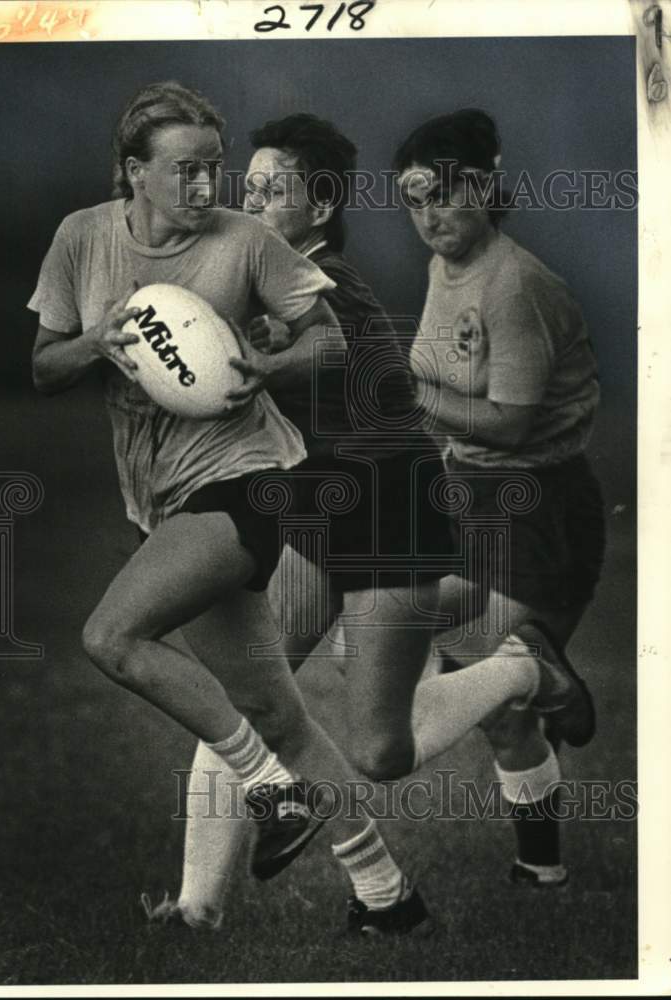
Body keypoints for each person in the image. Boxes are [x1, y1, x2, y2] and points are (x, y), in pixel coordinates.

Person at [151, 112, 594, 933]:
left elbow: (328, 362)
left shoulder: (329, 290)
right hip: (316, 512)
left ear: (319, 208)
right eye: (249, 189)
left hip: (391, 518)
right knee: (247, 690)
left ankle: (521, 669)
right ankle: (197, 907)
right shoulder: (259, 278)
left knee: (380, 752)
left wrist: (255, 360)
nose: (251, 203)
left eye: (272, 190)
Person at [397, 108, 604, 887]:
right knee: (493, 708)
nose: (430, 216)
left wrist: (409, 397)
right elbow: (439, 392)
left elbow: (511, 424)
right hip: (469, 497)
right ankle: (540, 871)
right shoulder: (442, 269)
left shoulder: (514, 284)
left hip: (536, 507)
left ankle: (535, 672)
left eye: (445, 195)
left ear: (484, 189)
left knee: (471, 687)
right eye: (415, 200)